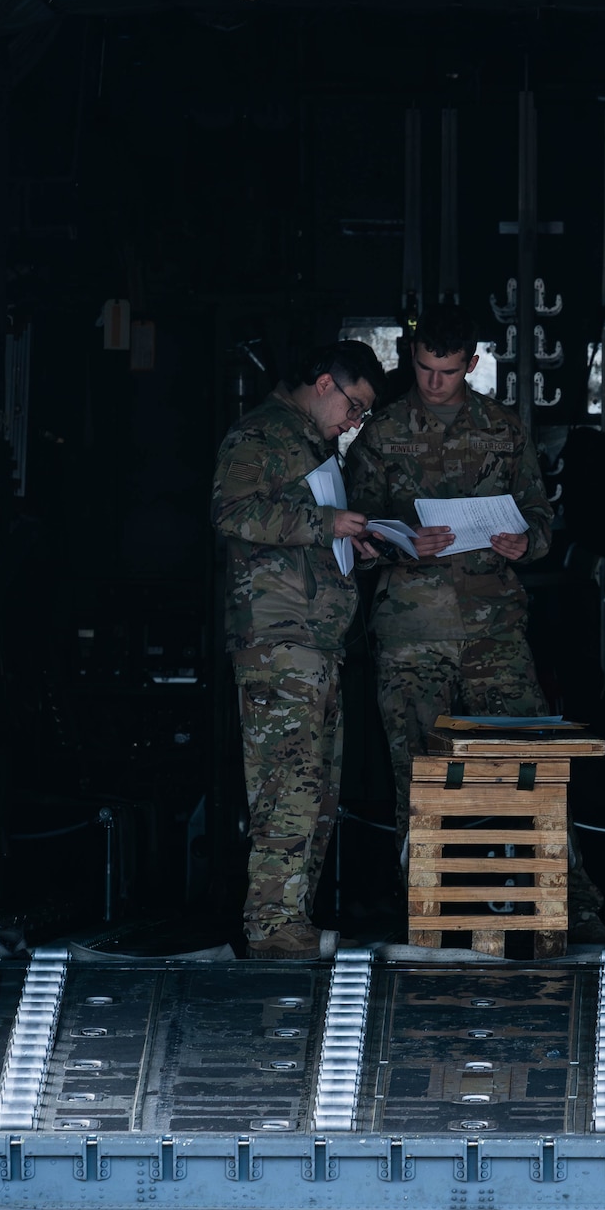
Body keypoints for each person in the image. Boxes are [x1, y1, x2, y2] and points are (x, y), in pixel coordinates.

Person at [345, 303, 605, 946]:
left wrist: (529, 544)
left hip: (494, 629)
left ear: (472, 363)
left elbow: (540, 516)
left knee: (531, 761)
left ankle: (571, 906)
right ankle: (428, 915)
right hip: (411, 631)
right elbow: (354, 530)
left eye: (446, 371)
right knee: (418, 773)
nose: (433, 382)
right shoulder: (381, 433)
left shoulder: (503, 428)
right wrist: (403, 541)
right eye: (422, 369)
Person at [211, 339, 384, 958]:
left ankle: (291, 921)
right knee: (289, 785)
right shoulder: (260, 436)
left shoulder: (306, 442)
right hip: (279, 640)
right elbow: (232, 512)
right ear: (324, 383)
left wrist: (345, 540)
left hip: (313, 639)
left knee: (315, 788)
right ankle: (273, 927)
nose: (354, 423)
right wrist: (325, 525)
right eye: (354, 407)